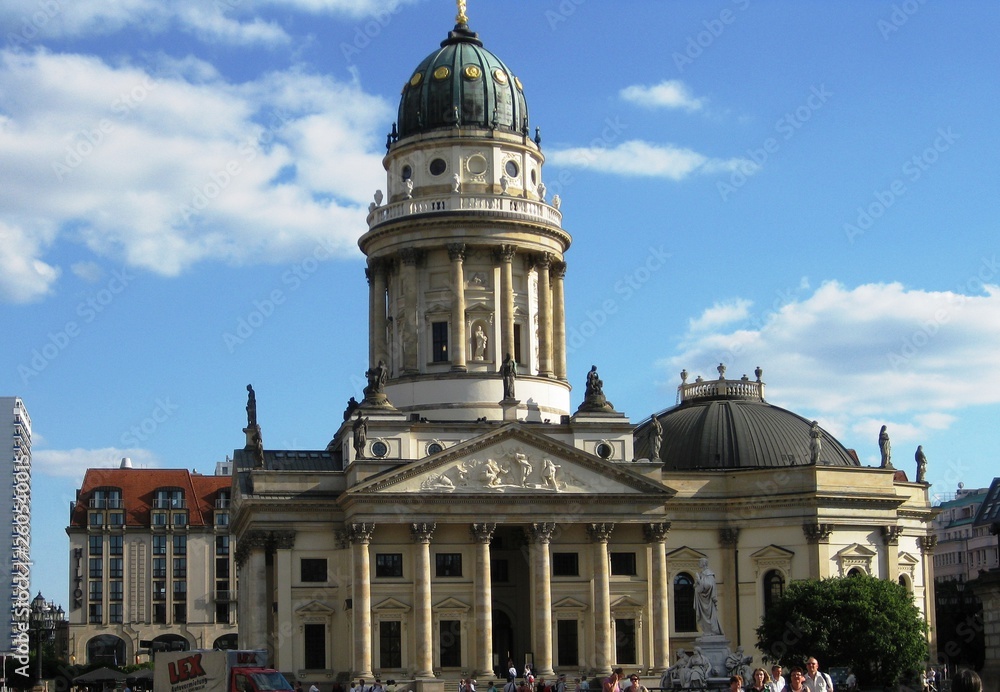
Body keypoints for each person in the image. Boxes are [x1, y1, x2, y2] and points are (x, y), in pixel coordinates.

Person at [695, 557, 723, 635]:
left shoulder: (709, 573)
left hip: (708, 601)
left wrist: (699, 580)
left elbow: (709, 585)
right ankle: (707, 631)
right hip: (702, 600)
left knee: (709, 617)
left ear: (704, 563)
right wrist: (697, 582)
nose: (698, 564)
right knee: (704, 618)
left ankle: (711, 631)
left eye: (700, 562)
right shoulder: (701, 573)